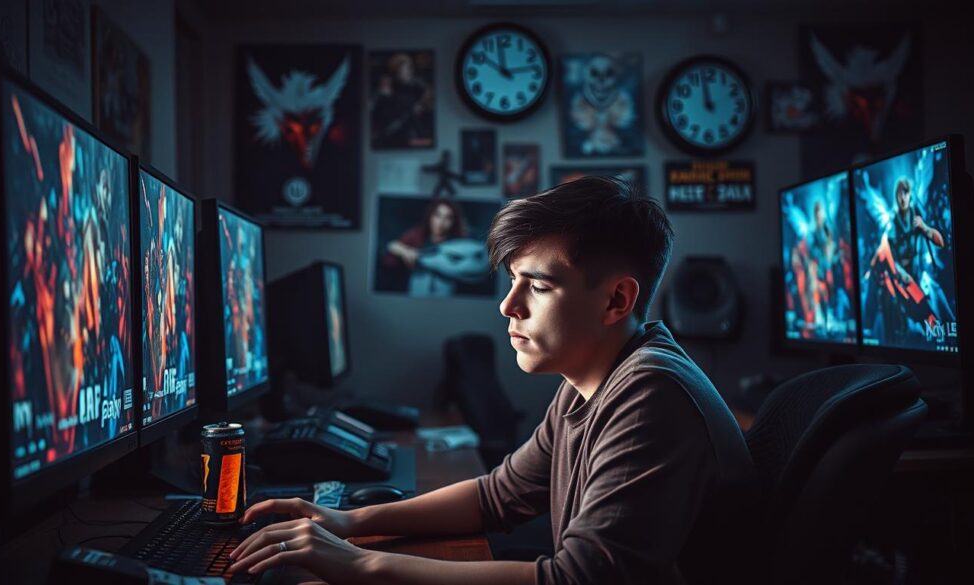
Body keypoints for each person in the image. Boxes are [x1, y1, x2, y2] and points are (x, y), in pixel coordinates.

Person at [228, 176, 758, 584]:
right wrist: (349, 522)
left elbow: (575, 580)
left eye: (538, 286)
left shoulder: (650, 394)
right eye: (512, 282)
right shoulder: (595, 379)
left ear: (616, 300)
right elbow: (497, 496)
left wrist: (363, 566)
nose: (509, 306)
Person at [383, 198, 486, 297]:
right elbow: (391, 248)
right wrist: (404, 251)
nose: (441, 222)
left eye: (448, 218)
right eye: (437, 215)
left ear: (453, 221)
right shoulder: (416, 236)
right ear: (430, 216)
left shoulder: (459, 241)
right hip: (415, 297)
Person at [370, 52, 433, 148]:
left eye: (410, 68)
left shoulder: (419, 87)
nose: (410, 72)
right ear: (395, 72)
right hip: (394, 139)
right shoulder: (387, 91)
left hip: (418, 136)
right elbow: (384, 122)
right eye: (406, 69)